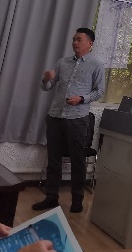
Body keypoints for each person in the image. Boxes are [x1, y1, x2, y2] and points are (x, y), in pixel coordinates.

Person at [32, 28, 105, 214]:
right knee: (54, 160)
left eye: (79, 39)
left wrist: (81, 99)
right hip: (55, 116)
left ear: (90, 43)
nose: (75, 43)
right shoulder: (62, 62)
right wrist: (46, 79)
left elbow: (100, 91)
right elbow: (47, 87)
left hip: (77, 118)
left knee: (77, 161)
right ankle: (51, 197)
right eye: (73, 39)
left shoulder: (96, 65)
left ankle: (77, 200)